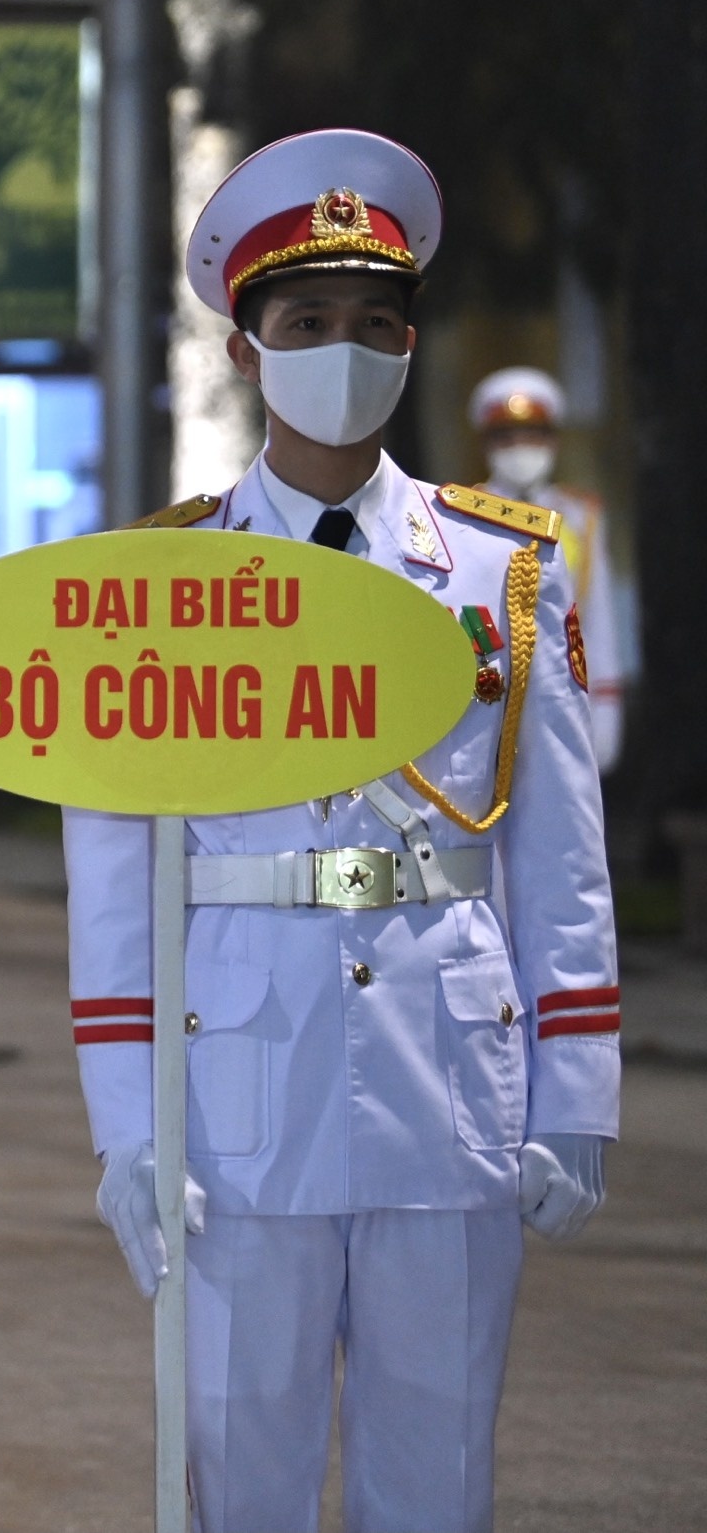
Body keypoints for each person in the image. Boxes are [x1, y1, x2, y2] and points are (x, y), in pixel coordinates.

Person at [73, 128, 619, 1533]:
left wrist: (579, 1093)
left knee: (435, 1478)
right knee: (239, 1472)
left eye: (376, 324)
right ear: (249, 350)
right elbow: (120, 881)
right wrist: (129, 1125)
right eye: (308, 322)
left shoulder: (501, 570)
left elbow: (561, 858)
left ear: (411, 345)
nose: (345, 349)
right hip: (237, 1091)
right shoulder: (162, 582)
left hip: (452, 1082)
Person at [471, 365, 627, 771]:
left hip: (565, 694)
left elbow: (597, 620)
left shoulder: (580, 516)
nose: (521, 448)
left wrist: (605, 705)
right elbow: (468, 611)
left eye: (533, 436)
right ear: (488, 444)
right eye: (506, 438)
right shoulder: (464, 512)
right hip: (494, 690)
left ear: (552, 442)